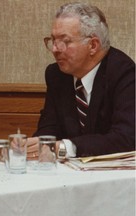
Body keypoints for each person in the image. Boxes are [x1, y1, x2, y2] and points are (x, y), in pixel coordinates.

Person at [27, 2, 135, 161]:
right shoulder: (56, 74)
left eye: (65, 41)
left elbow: (126, 138)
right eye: (53, 40)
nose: (55, 49)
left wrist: (66, 147)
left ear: (93, 45)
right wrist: (33, 145)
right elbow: (49, 127)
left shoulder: (124, 73)